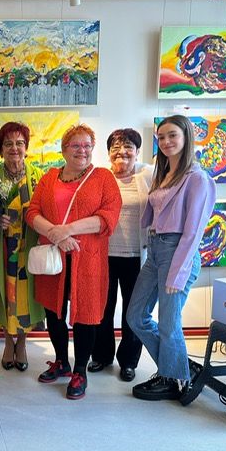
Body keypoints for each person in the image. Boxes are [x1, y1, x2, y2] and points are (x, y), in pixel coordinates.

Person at [26, 124, 121, 400]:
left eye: (87, 145)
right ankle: (61, 361)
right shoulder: (49, 178)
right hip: (53, 258)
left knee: (85, 314)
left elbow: (108, 218)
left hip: (88, 260)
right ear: (64, 149)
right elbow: (32, 212)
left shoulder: (103, 178)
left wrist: (67, 231)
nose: (82, 150)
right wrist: (55, 234)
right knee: (53, 311)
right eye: (76, 145)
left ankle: (80, 370)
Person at [127, 115, 215, 401]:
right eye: (161, 137)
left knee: (168, 322)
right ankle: (179, 366)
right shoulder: (162, 174)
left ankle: (173, 378)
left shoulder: (197, 178)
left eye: (172, 135)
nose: (166, 142)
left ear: (186, 136)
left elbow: (193, 232)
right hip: (155, 250)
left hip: (177, 251)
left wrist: (178, 272)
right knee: (135, 316)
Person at [88, 128, 153, 382]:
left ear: (137, 152)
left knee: (132, 311)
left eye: (128, 147)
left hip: (136, 257)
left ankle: (128, 361)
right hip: (104, 255)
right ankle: (102, 355)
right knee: (103, 309)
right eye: (115, 148)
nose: (122, 153)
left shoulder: (147, 175)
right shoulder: (101, 178)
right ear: (108, 153)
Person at [0, 122, 45, 372]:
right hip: (4, 247)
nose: (14, 148)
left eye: (19, 143)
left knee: (25, 296)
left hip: (29, 246)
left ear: (26, 147)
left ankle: (21, 342)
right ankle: (7, 342)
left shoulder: (38, 176)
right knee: (6, 295)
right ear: (1, 149)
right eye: (8, 143)